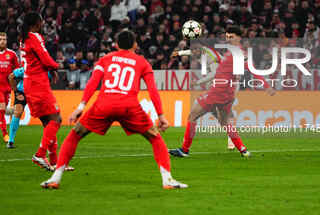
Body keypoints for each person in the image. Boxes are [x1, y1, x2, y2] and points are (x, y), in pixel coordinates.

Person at [41, 30, 187, 190]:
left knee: (75, 134)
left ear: (116, 45)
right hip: (129, 106)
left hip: (104, 104)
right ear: (135, 45)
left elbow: (92, 82)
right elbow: (153, 90)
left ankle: (55, 178)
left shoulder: (105, 59)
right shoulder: (142, 62)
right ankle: (167, 179)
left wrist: (81, 107)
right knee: (155, 138)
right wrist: (161, 115)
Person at [169, 26, 275, 157]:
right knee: (224, 122)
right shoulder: (232, 52)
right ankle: (243, 150)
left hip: (218, 92)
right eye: (227, 36)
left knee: (192, 116)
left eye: (231, 36)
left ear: (239, 37)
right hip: (227, 94)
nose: (228, 38)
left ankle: (184, 150)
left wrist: (266, 85)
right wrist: (180, 53)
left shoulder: (238, 53)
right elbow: (200, 52)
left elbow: (252, 69)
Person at [19, 12, 61, 171]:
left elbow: (37, 59)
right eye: (41, 21)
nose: (43, 24)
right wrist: (56, 66)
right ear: (36, 23)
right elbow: (44, 57)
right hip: (38, 84)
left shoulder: (23, 38)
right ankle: (40, 154)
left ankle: (55, 162)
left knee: (48, 122)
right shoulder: (34, 36)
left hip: (30, 82)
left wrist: (51, 70)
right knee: (57, 119)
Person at [0, 32, 20, 143]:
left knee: (3, 110)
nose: (2, 41)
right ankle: (5, 134)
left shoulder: (11, 54)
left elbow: (17, 69)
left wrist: (15, 81)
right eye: (0, 39)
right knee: (2, 108)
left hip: (7, 88)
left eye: (4, 39)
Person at [7, 67, 26, 148]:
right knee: (17, 113)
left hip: (36, 94)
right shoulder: (24, 69)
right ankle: (10, 141)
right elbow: (11, 77)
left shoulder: (44, 69)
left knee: (45, 115)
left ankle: (50, 141)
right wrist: (16, 92)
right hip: (22, 92)